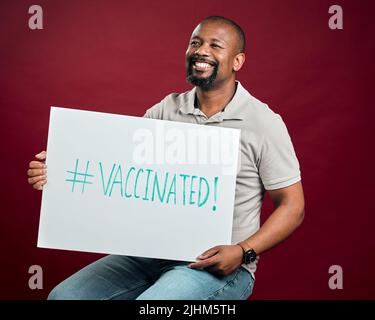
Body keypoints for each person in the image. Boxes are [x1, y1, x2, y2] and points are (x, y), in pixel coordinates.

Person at [27, 16, 305, 300]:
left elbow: (293, 206)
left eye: (215, 45)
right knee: (64, 297)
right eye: (195, 43)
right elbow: (115, 170)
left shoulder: (263, 123)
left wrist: (243, 250)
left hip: (220, 265)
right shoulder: (166, 110)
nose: (201, 50)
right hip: (151, 253)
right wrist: (61, 166)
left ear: (237, 61)